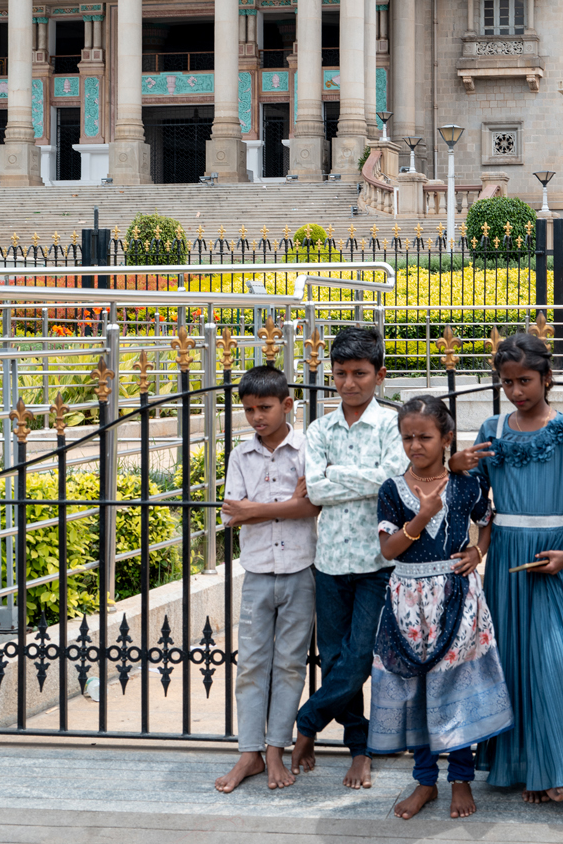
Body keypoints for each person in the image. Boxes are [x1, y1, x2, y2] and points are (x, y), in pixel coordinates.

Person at [450, 331, 563, 805]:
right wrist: (457, 466)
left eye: (526, 380)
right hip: (508, 558)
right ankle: (521, 767)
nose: (517, 391)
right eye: (508, 382)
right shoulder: (492, 430)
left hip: (556, 558)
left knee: (554, 661)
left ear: (548, 378)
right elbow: (474, 497)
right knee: (510, 662)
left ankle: (555, 769)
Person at [369, 395, 513, 821]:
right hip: (407, 604)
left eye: (425, 437)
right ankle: (425, 781)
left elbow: (487, 520)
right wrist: (419, 518)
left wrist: (478, 551)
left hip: (457, 598)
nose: (416, 445)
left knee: (456, 687)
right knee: (415, 691)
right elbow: (388, 550)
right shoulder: (392, 490)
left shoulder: (467, 485)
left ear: (447, 438)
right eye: (407, 437)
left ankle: (462, 780)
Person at [292, 325, 406, 789]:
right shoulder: (319, 430)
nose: (349, 383)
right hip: (330, 563)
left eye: (360, 373)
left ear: (379, 375)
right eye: (340, 374)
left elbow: (393, 482)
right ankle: (359, 748)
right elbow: (316, 488)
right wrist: (357, 479)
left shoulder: (393, 426)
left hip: (377, 563)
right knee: (337, 658)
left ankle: (305, 724)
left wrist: (339, 476)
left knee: (360, 659)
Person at [215, 364, 320, 792]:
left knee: (291, 664)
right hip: (257, 571)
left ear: (287, 405)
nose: (257, 416)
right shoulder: (241, 455)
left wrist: (253, 509)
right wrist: (283, 506)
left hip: (301, 569)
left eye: (265, 407)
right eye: (249, 409)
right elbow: (230, 513)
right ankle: (248, 754)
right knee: (252, 664)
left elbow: (312, 506)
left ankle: (276, 749)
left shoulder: (308, 450)